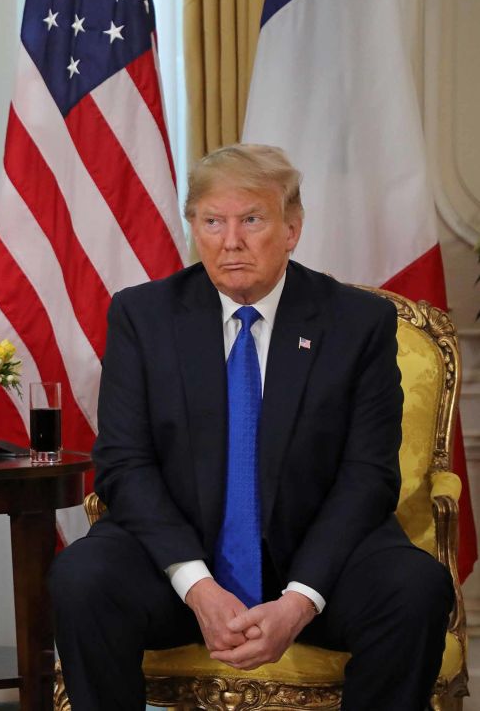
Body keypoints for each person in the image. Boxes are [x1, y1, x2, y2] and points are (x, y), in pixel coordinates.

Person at [50, 144, 454, 710]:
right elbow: (125, 463)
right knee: (82, 577)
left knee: (415, 590)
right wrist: (197, 584)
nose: (230, 241)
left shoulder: (356, 323)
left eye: (252, 220)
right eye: (212, 221)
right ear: (194, 227)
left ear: (292, 229)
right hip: (181, 564)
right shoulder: (143, 316)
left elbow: (368, 476)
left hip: (318, 567)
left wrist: (299, 600)